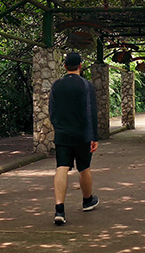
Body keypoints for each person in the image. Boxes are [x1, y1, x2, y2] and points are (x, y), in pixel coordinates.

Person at [48, 52, 99, 225]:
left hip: (62, 134)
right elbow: (91, 112)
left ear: (64, 66)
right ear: (80, 66)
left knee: (61, 167)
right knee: (84, 167)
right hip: (82, 134)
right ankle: (87, 201)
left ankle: (59, 209)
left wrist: (58, 128)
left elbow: (51, 111)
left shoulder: (56, 85)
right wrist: (94, 136)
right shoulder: (86, 85)